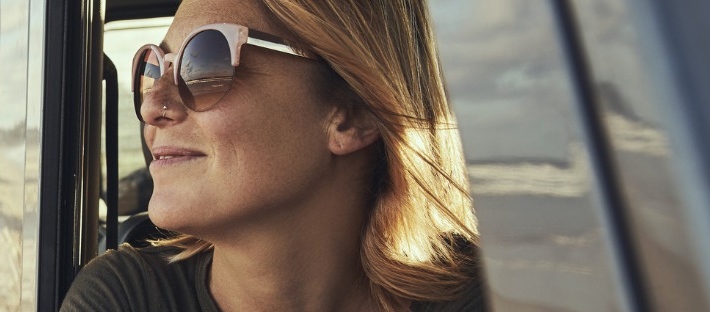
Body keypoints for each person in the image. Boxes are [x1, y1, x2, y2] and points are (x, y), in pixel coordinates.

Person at [62, 0, 483, 311]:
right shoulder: (125, 298)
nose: (153, 106)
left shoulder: (494, 293)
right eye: (152, 69)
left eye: (205, 64)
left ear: (352, 117)